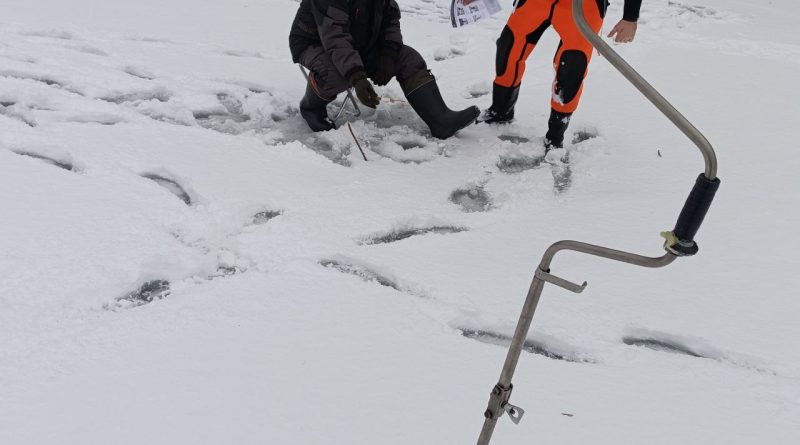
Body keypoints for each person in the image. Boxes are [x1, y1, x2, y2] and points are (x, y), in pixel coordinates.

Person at [289, 0, 480, 139]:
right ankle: (311, 107)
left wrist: (388, 55)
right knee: (337, 74)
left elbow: (390, 20)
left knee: (408, 58)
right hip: (314, 42)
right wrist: (357, 75)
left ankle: (440, 120)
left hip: (358, 43)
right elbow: (334, 36)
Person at [479, 0, 641, 149]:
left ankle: (555, 136)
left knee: (572, 68)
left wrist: (630, 16)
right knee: (508, 50)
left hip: (583, 7)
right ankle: (500, 111)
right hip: (537, 3)